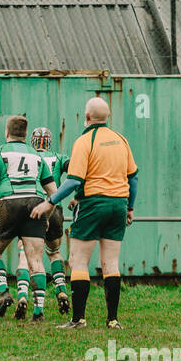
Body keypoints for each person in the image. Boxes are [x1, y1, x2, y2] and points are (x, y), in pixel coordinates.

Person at [31, 97, 138, 329]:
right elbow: (133, 177)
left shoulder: (84, 141)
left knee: (78, 260)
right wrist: (130, 207)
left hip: (92, 205)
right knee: (111, 262)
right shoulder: (121, 140)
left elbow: (73, 180)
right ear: (107, 116)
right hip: (118, 205)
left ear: (86, 117)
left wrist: (50, 201)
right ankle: (112, 320)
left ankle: (78, 319)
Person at [0, 115, 57, 321]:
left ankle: (3, 292)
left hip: (6, 207)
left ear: (7, 133)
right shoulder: (37, 156)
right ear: (26, 135)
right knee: (36, 259)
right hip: (35, 205)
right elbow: (54, 191)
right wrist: (46, 215)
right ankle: (38, 312)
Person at [30, 126, 71, 315]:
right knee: (54, 253)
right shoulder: (59, 157)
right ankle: (61, 289)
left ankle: (31, 299)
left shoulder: (29, 156)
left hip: (33, 207)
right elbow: (75, 170)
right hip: (54, 207)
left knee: (29, 256)